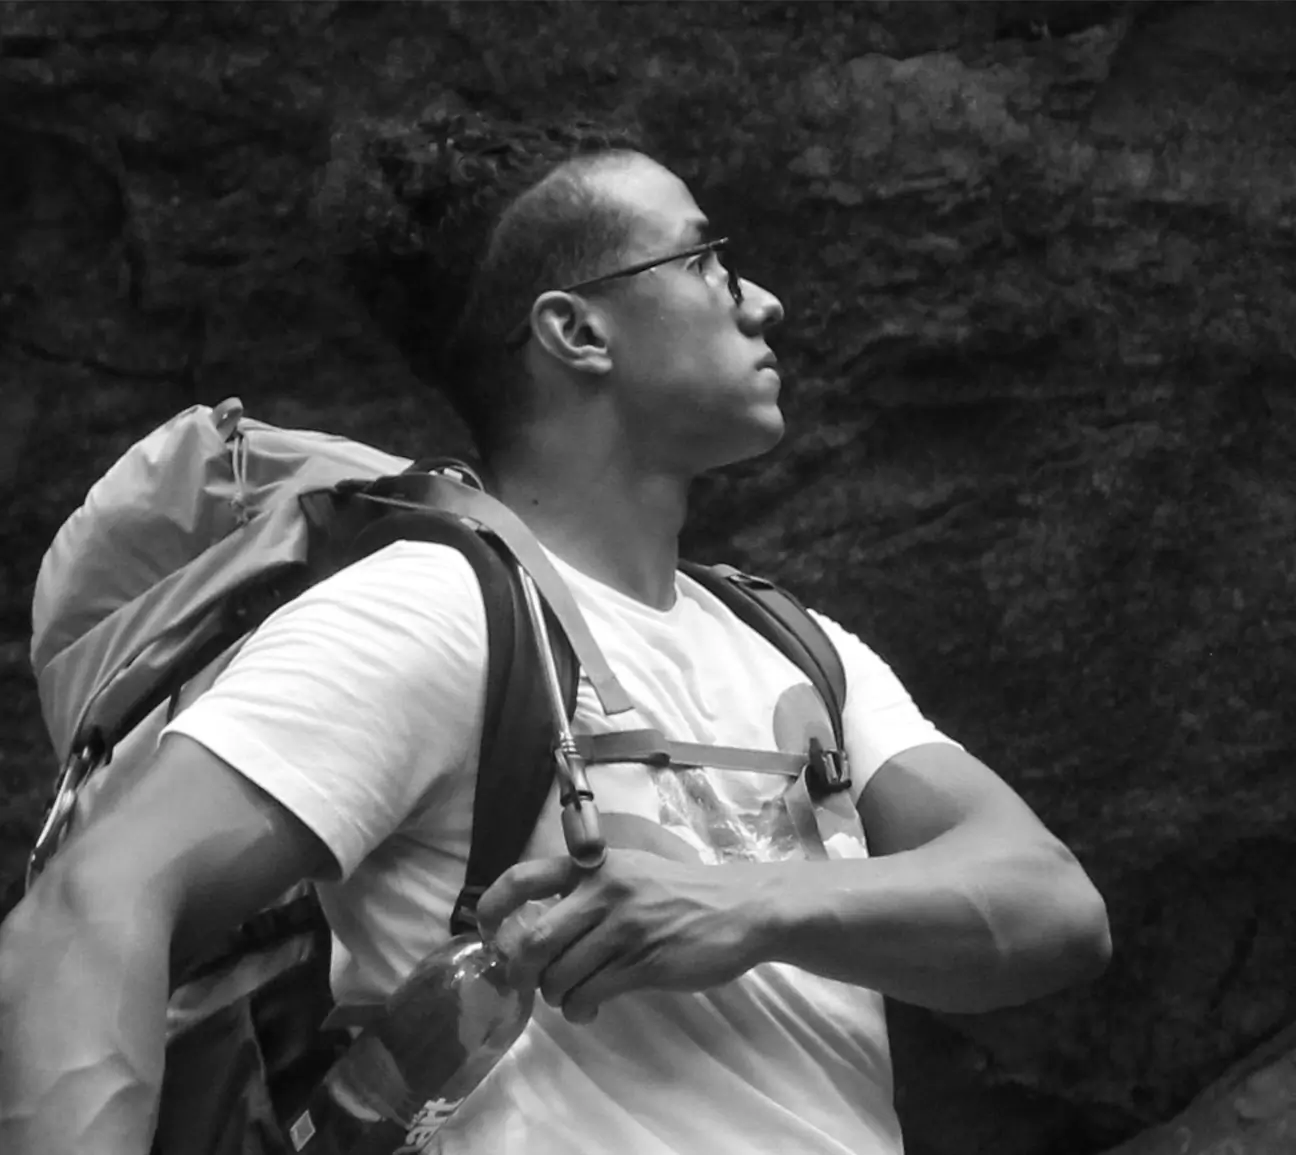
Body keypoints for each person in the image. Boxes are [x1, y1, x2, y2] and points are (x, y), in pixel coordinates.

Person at [0, 148, 1111, 1155]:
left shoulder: (795, 645)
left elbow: (1054, 905)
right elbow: (92, 905)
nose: (763, 301)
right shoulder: (434, 608)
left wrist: (748, 905)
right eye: (707, 262)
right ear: (577, 333)